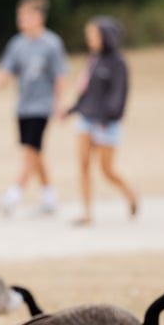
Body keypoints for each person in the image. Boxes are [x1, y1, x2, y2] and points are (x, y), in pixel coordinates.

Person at [0, 0, 68, 216]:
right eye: (19, 16)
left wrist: (59, 104)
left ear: (39, 17)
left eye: (26, 16)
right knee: (35, 152)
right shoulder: (17, 44)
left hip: (43, 105)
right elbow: (6, 69)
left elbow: (60, 76)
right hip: (23, 106)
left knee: (31, 150)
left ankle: (14, 195)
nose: (21, 20)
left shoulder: (52, 43)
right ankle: (49, 197)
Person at [63, 16, 138, 225]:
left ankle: (129, 193)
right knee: (84, 165)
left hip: (107, 122)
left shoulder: (118, 63)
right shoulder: (92, 60)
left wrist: (108, 117)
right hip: (86, 120)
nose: (89, 39)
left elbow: (119, 95)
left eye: (93, 35)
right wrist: (70, 111)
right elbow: (85, 92)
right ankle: (87, 212)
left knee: (106, 170)